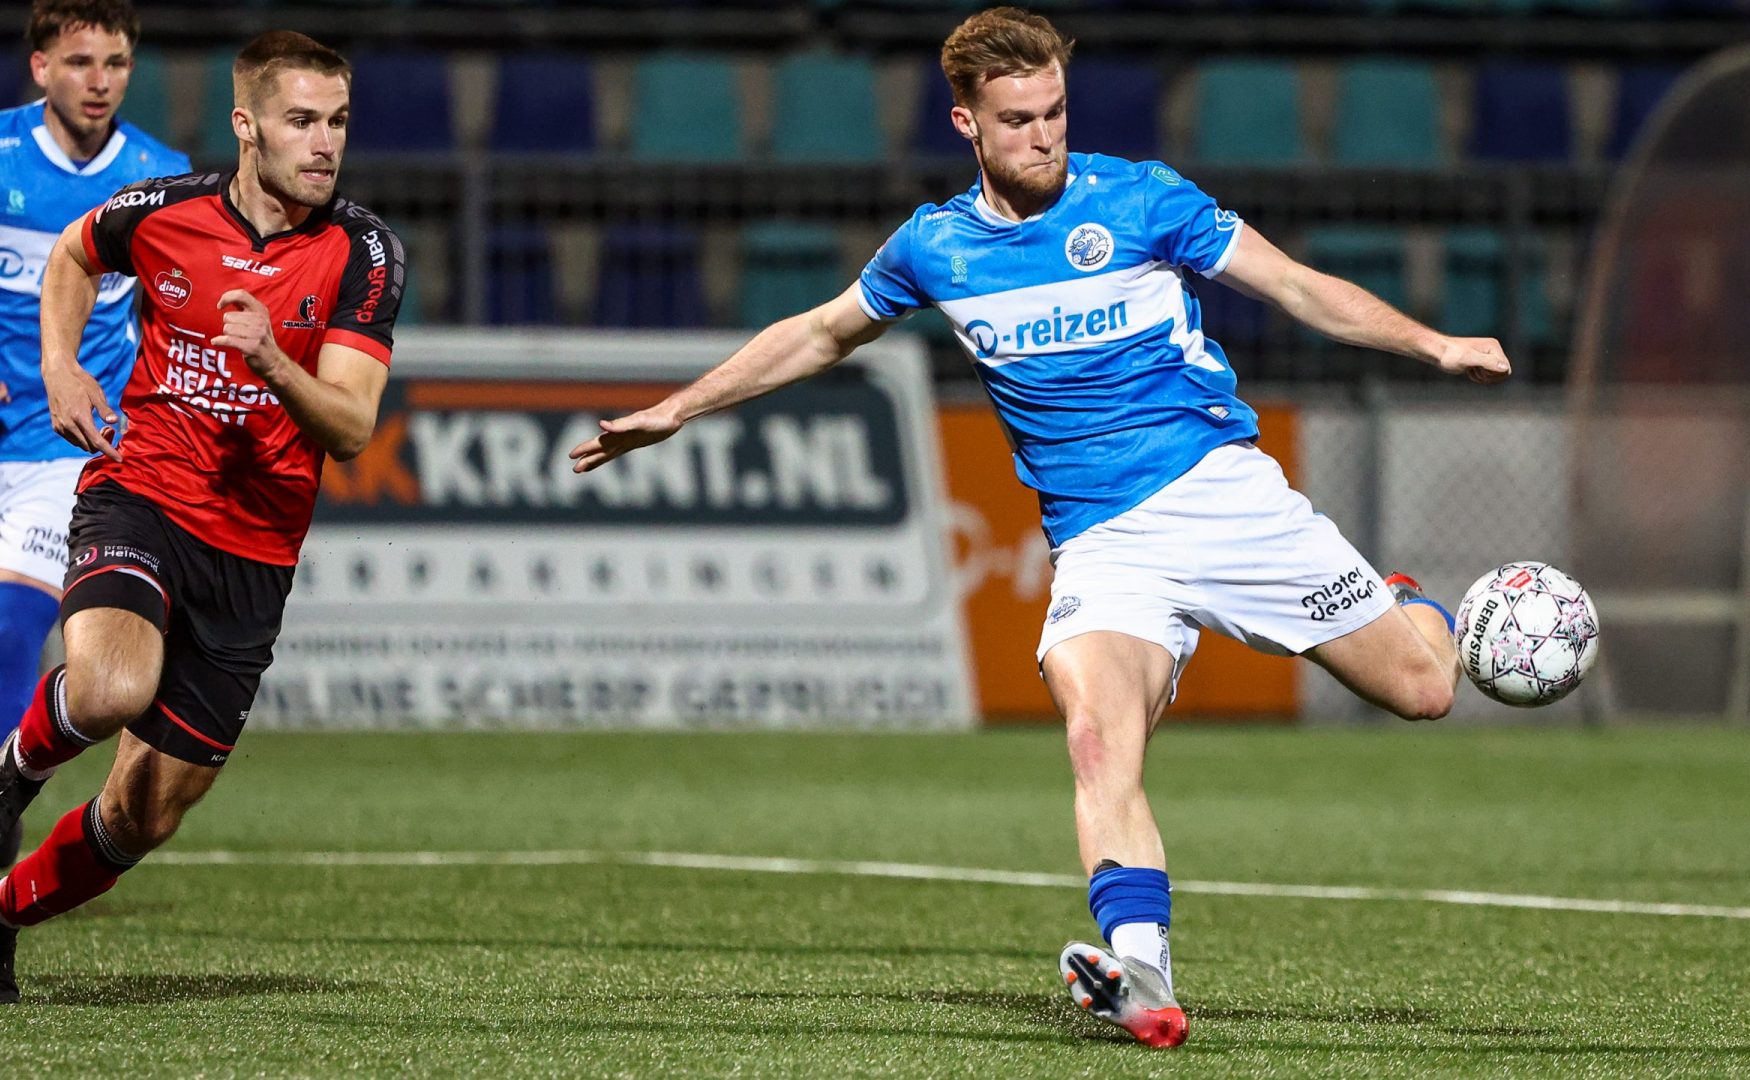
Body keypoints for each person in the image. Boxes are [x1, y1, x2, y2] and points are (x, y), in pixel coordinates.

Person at [567, 6, 1509, 1049]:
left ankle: (1412, 601)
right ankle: (1143, 978)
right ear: (966, 123)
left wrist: (1433, 344)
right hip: (1105, 547)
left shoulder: (1144, 198)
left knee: (1425, 689)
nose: (1046, 135)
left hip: (1224, 497)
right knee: (1098, 736)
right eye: (1019, 119)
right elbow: (823, 331)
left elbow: (1291, 285)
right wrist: (677, 408)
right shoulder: (937, 247)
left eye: (1057, 109)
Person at [0, 29, 405, 1005]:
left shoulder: (362, 254)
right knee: (109, 686)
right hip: (142, 492)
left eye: (339, 123)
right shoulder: (164, 210)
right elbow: (74, 255)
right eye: (302, 121)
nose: (325, 143)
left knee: (141, 817)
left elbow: (354, 425)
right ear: (247, 125)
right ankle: (11, 775)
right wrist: (62, 367)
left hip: (254, 557)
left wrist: (277, 362)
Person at [0, 0, 188, 936]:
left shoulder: (156, 179)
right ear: (41, 68)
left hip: (71, 449)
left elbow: (173, 317)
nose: (100, 79)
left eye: (116, 60)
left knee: (9, 642)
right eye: (80, 61)